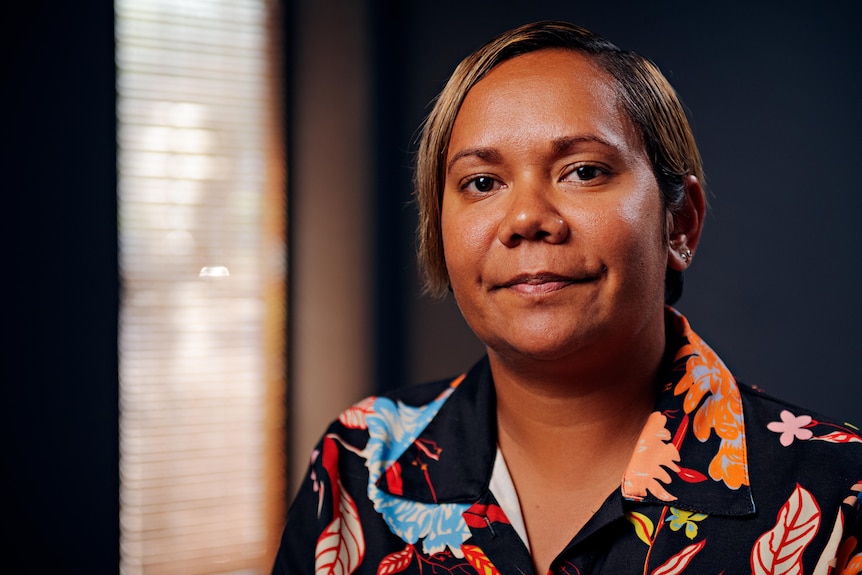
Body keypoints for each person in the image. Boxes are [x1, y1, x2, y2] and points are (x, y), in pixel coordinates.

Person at [273, 21, 862, 575]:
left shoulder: (839, 491)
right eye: (482, 183)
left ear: (679, 221)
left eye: (583, 171)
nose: (527, 218)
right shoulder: (356, 462)